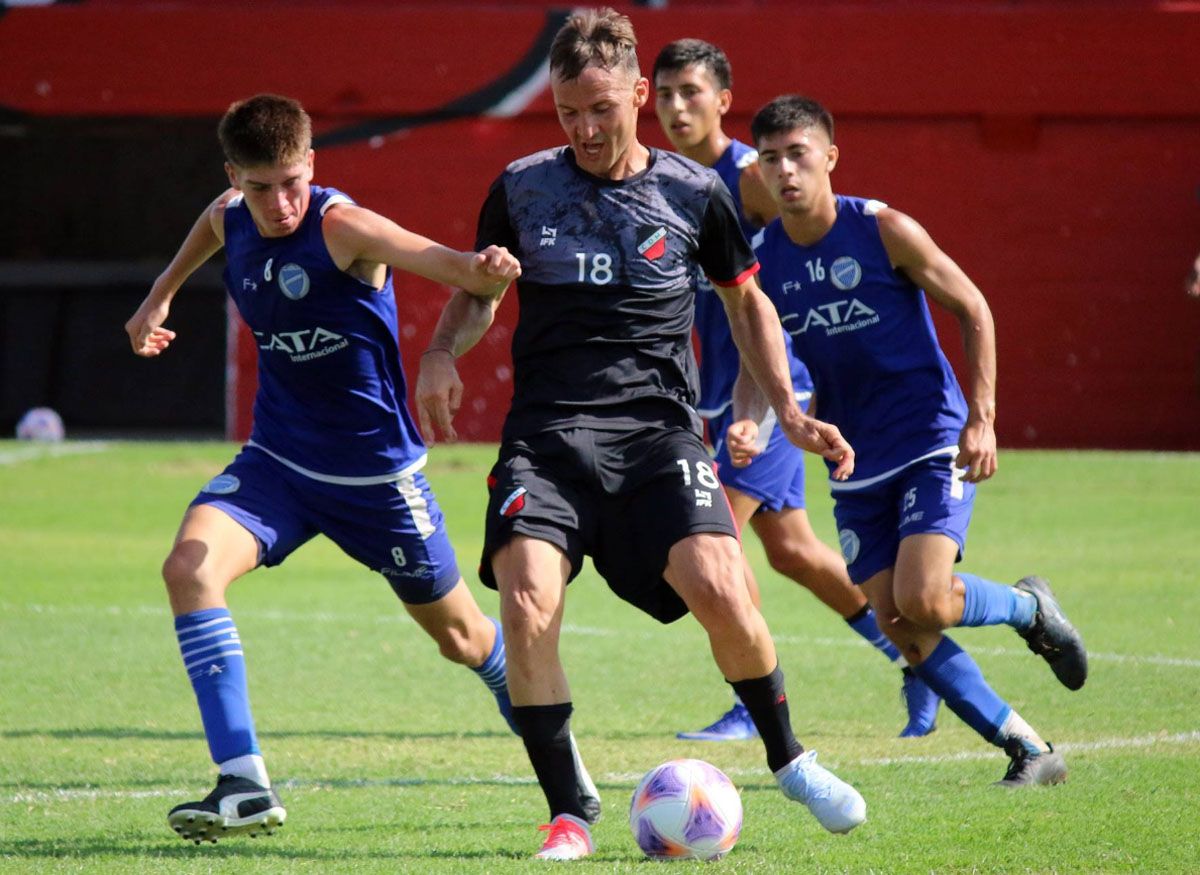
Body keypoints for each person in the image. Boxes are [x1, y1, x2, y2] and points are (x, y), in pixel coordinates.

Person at [416, 9, 866, 861]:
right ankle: (568, 814)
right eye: (567, 113)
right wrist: (441, 350)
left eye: (600, 109)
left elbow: (746, 303)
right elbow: (480, 290)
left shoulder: (695, 192)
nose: (584, 130)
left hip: (658, 434)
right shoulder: (521, 186)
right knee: (526, 597)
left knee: (722, 582)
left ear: (636, 96)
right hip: (547, 436)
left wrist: (785, 408)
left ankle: (791, 759)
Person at [123, 93, 603, 844]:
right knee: (188, 568)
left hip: (378, 483)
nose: (280, 204)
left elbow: (453, 269)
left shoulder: (344, 227)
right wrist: (159, 297)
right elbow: (211, 225)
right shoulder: (231, 214)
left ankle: (561, 757)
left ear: (312, 164)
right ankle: (243, 781)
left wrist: (487, 269)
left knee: (463, 639)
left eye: (292, 182)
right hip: (278, 465)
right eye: (260, 187)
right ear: (234, 178)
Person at [739, 94, 1088, 787]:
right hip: (854, 459)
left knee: (924, 597)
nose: (784, 171)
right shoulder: (763, 261)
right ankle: (1029, 749)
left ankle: (1029, 609)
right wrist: (754, 416)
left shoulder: (883, 229)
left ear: (830, 157)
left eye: (798, 154)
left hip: (929, 437)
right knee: (897, 621)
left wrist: (982, 417)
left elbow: (972, 306)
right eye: (770, 159)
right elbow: (760, 356)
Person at [652, 38, 940, 742]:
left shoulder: (748, 178)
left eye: (691, 92)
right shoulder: (664, 181)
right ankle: (917, 658)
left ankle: (752, 697)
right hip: (720, 397)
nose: (676, 107)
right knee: (792, 551)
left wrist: (784, 387)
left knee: (711, 536)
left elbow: (805, 244)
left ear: (723, 101)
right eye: (664, 94)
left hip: (776, 392)